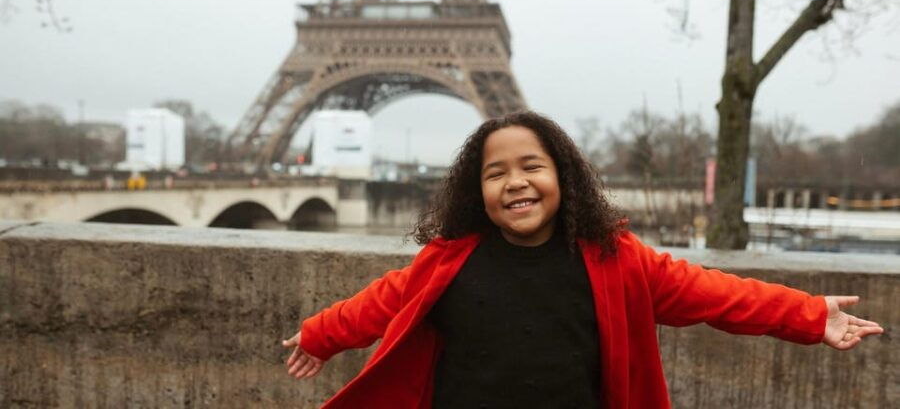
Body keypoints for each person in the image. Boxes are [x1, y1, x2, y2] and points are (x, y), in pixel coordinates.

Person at [281, 111, 884, 408]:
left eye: (532, 167)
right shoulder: (446, 262)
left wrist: (807, 314)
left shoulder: (614, 260)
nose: (515, 183)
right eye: (496, 174)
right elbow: (381, 303)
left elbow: (712, 294)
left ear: (564, 179)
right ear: (476, 192)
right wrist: (319, 334)